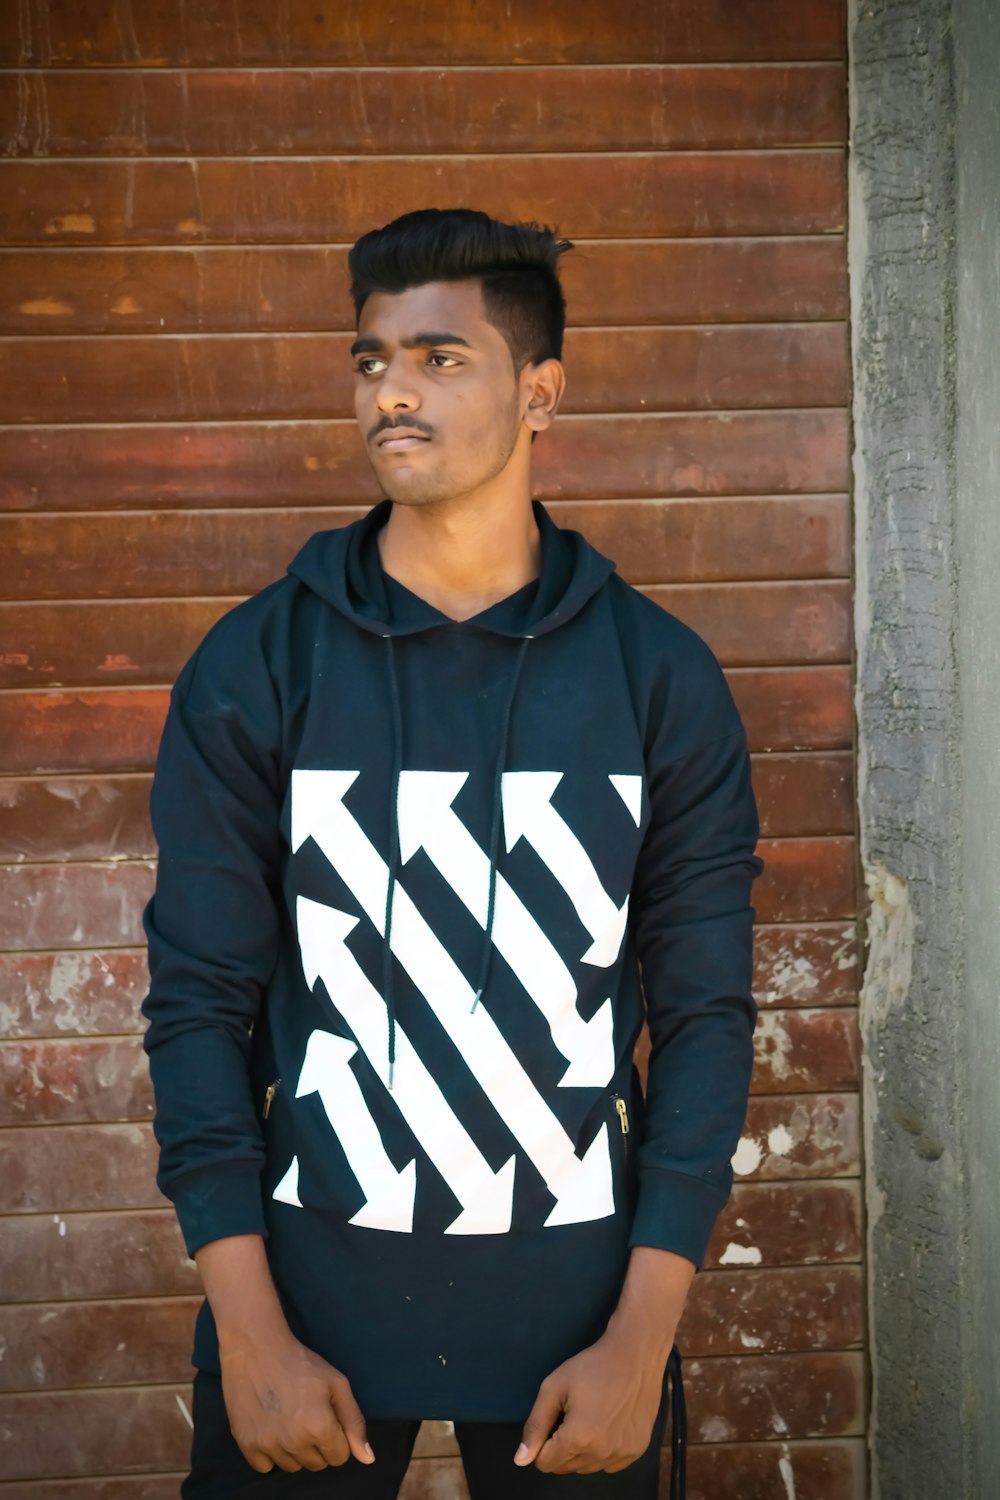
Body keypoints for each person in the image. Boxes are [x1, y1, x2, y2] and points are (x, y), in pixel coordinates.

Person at [141, 207, 765, 1498]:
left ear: (542, 394)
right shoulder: (258, 666)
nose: (393, 395)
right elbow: (197, 1004)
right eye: (373, 361)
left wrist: (643, 1340)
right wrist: (249, 1331)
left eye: (440, 358)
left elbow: (705, 1019)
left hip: (582, 1321)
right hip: (305, 1313)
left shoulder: (660, 680)